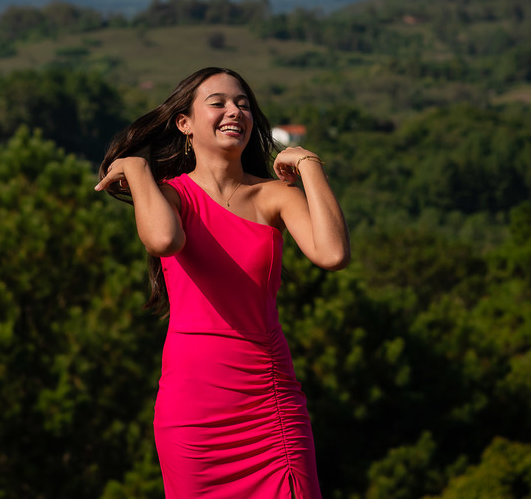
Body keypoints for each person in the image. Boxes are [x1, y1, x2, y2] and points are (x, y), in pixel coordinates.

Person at [95, 66, 349, 498]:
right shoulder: (172, 196)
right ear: (185, 124)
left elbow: (333, 253)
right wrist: (138, 172)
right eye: (219, 103)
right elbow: (164, 240)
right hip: (193, 415)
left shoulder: (274, 196)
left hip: (269, 406)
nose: (235, 111)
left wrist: (309, 165)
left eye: (243, 104)